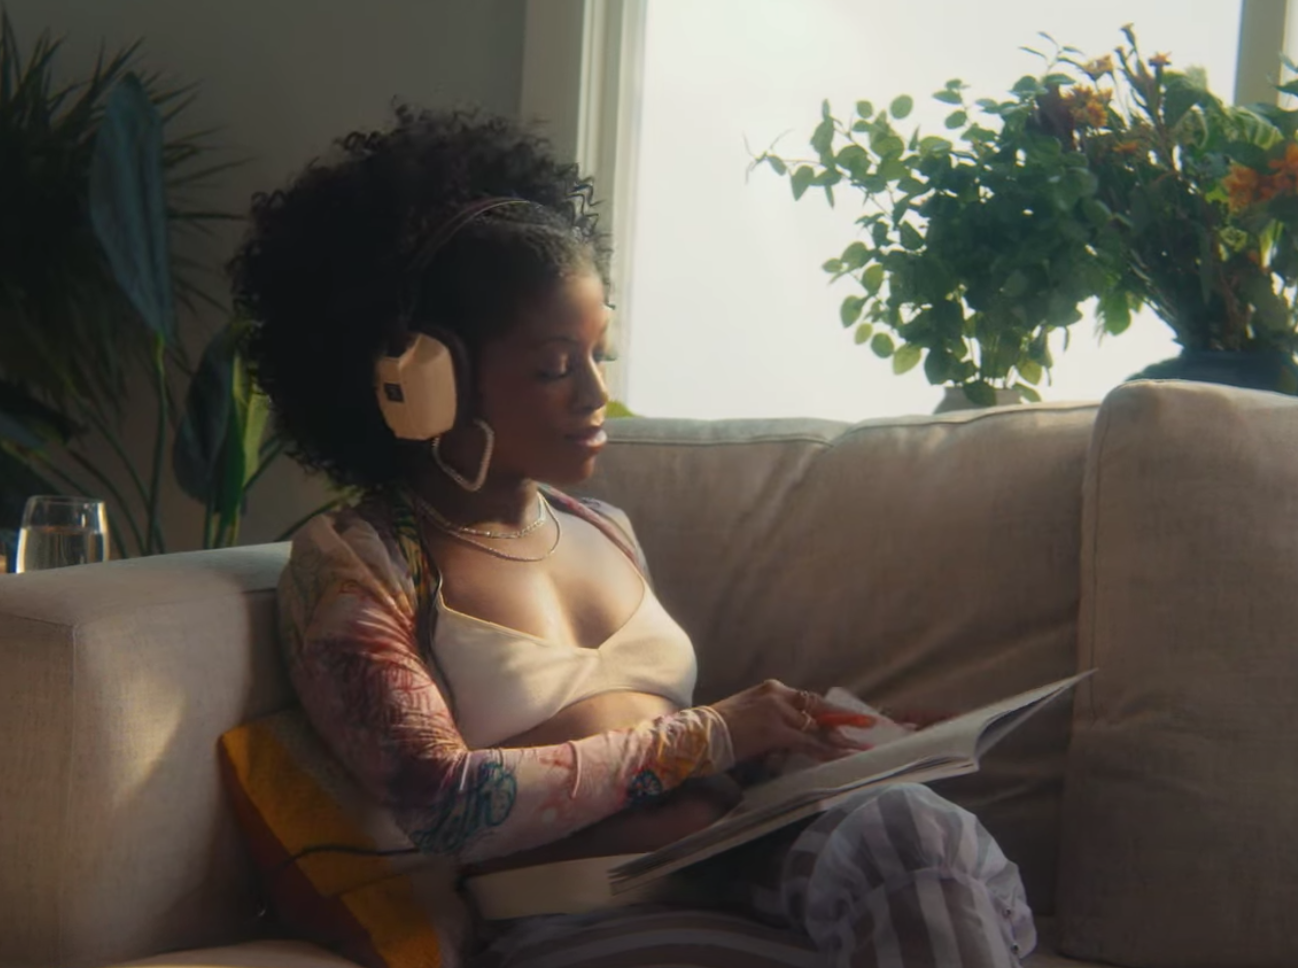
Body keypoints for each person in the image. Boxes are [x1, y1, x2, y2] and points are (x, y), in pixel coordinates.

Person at [231, 106, 1036, 967]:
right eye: (554, 366)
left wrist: (834, 739)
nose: (593, 395)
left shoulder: (603, 529)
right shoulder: (361, 564)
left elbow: (680, 753)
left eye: (598, 355)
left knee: (913, 833)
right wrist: (715, 734)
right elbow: (444, 802)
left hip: (749, 865)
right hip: (581, 911)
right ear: (426, 379)